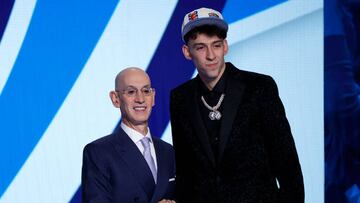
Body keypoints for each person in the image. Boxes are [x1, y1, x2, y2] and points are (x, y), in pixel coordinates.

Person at [169, 7, 304, 202]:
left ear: (225, 46)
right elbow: (184, 170)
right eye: (200, 47)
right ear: (187, 52)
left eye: (216, 45)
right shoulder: (180, 97)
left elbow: (287, 162)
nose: (210, 55)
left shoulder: (260, 87)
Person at [82, 68, 176, 203]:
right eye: (131, 92)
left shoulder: (167, 151)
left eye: (146, 91)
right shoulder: (98, 152)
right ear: (116, 99)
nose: (140, 99)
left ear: (153, 97)